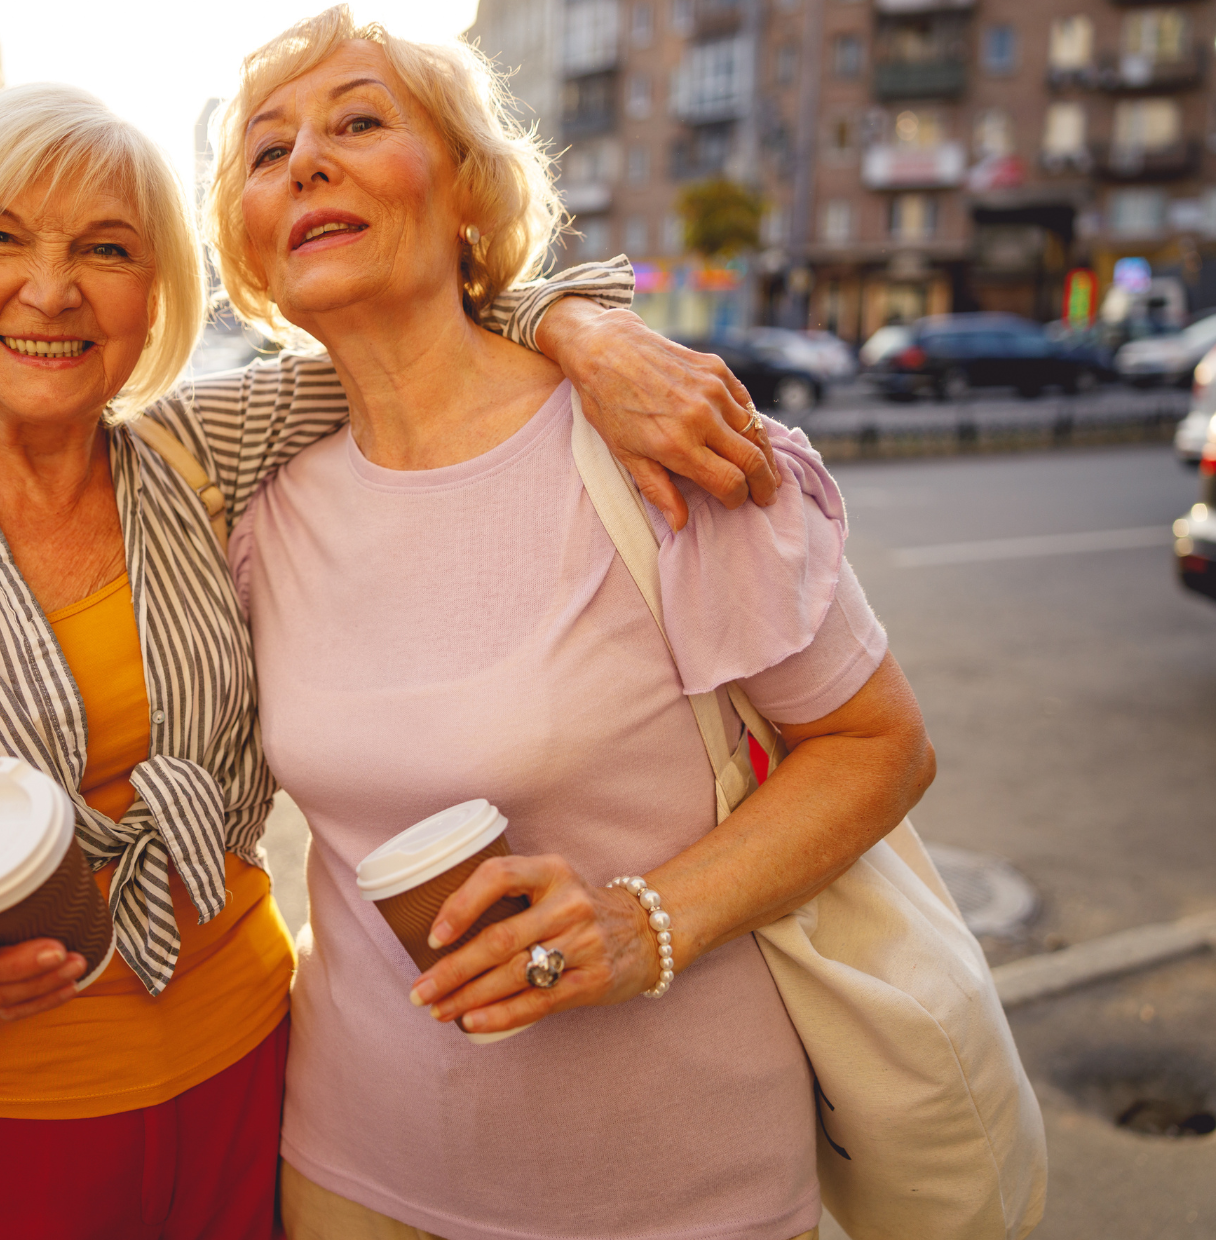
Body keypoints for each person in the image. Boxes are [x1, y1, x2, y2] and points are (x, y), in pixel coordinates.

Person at [0, 74, 779, 1239]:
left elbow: (415, 329)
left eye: (105, 249)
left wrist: (582, 330)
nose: (49, 291)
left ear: (152, 290)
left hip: (256, 1079)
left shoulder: (207, 446)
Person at [197, 10, 936, 1240]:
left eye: (360, 122)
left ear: (467, 199)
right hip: (350, 1165)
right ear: (256, 250)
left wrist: (640, 923)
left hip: (670, 1185)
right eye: (266, 153)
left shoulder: (652, 444)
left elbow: (877, 747)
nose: (305, 162)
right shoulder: (259, 511)